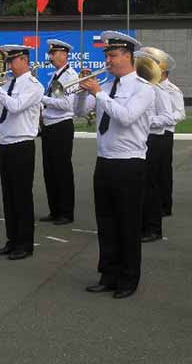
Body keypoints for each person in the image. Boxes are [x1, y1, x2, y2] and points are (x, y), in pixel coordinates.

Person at [75, 31, 154, 299]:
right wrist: (83, 89)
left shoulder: (143, 89)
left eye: (113, 55)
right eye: (106, 55)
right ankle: (108, 274)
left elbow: (127, 117)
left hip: (129, 164)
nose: (107, 60)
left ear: (128, 57)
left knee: (127, 223)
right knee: (106, 222)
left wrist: (99, 94)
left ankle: (128, 279)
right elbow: (78, 111)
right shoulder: (106, 87)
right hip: (105, 161)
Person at [0, 44, 43, 260]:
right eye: (7, 61)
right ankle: (12, 240)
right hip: (6, 143)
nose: (8, 65)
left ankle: (24, 244)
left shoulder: (34, 86)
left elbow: (15, 106)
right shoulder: (7, 83)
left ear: (24, 60)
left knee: (22, 196)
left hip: (22, 144)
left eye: (12, 60)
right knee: (8, 196)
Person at [39, 39, 78, 225]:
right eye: (51, 54)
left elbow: (65, 104)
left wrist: (42, 98)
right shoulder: (55, 76)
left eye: (54, 54)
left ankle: (65, 211)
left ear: (64, 55)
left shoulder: (68, 76)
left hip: (61, 126)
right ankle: (54, 209)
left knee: (61, 170)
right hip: (50, 126)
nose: (51, 57)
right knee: (50, 170)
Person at [139, 48, 174, 242]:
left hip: (155, 139)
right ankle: (143, 224)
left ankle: (153, 228)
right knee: (141, 184)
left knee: (150, 185)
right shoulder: (140, 89)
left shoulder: (159, 90)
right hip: (141, 140)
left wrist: (145, 120)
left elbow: (168, 118)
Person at [158, 58, 185, 217]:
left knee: (163, 171)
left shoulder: (172, 90)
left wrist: (162, 119)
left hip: (165, 133)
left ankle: (165, 206)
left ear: (164, 73)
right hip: (150, 134)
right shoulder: (148, 87)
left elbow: (180, 114)